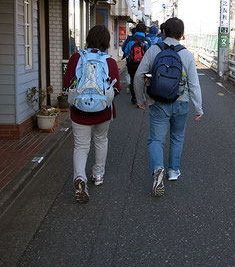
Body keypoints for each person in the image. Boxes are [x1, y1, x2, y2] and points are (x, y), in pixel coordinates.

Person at [133, 17, 203, 197]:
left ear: (163, 32)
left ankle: (157, 169)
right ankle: (173, 171)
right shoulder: (187, 54)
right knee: (177, 137)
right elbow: (194, 84)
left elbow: (139, 75)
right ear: (182, 35)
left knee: (156, 140)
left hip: (158, 102)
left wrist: (140, 99)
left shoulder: (154, 50)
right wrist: (198, 108)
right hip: (181, 101)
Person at [63, 25, 121, 203]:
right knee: (101, 140)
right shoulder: (109, 62)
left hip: (79, 112)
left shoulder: (76, 58)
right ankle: (98, 176)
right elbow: (116, 88)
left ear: (88, 39)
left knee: (81, 146)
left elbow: (66, 83)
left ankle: (80, 178)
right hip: (103, 112)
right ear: (106, 42)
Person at [122, 22, 150, 105]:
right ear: (144, 31)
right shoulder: (147, 40)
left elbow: (124, 49)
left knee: (133, 79)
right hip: (143, 64)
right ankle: (142, 97)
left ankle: (134, 98)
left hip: (131, 63)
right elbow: (150, 53)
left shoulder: (130, 39)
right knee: (143, 80)